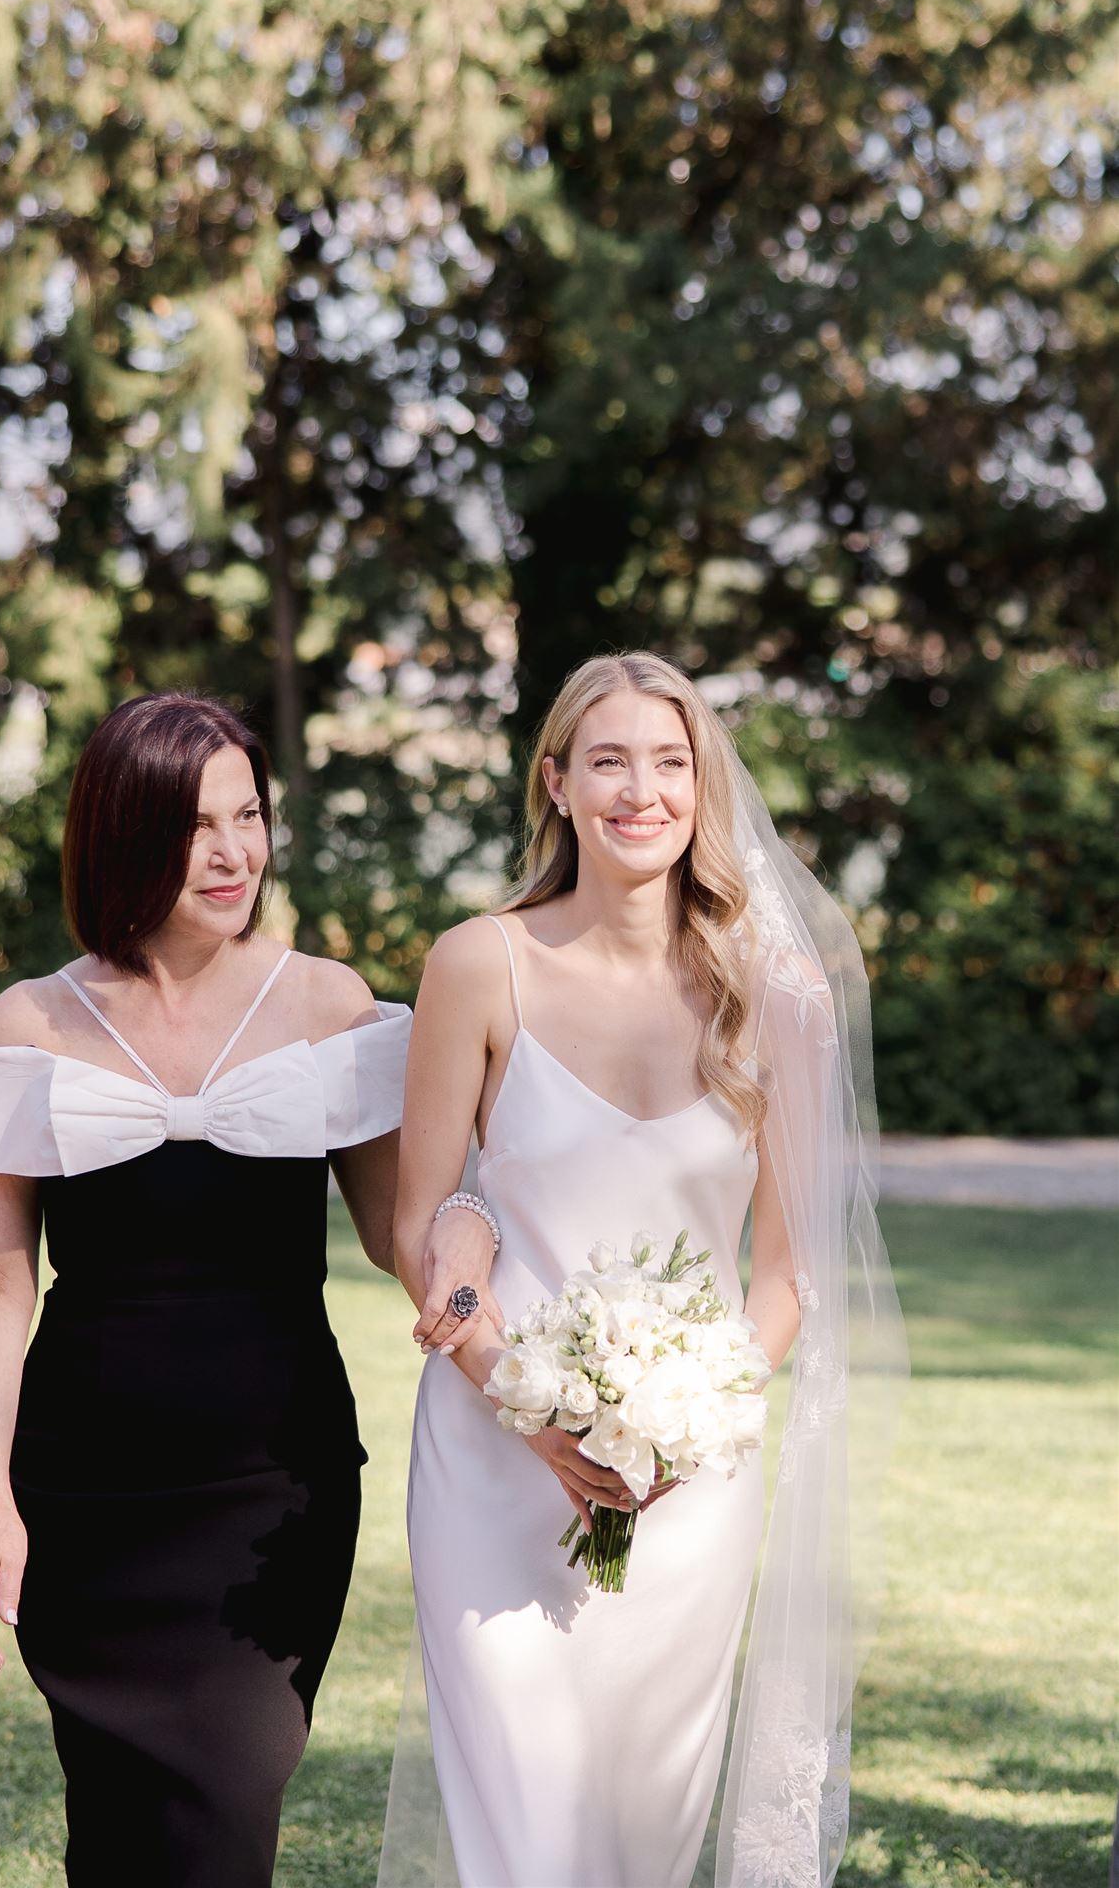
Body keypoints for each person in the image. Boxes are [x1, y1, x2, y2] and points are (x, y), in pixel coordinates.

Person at [0, 689, 487, 1887]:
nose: (234, 850)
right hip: (86, 1494)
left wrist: (503, 1345)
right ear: (123, 830)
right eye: (198, 825)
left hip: (272, 1489)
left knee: (229, 1803)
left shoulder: (329, 1003)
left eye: (247, 815)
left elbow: (405, 1230)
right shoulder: (30, 1017)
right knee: (116, 1830)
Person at [385, 651, 906, 1888]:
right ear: (556, 782)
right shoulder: (479, 962)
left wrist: (684, 1424)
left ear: (702, 785)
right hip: (493, 1466)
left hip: (690, 1484)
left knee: (640, 1838)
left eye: (670, 762)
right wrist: (528, 1399)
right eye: (609, 760)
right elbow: (422, 1223)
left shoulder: (775, 994)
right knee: (522, 1829)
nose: (642, 791)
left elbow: (785, 1273)